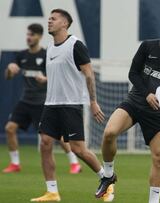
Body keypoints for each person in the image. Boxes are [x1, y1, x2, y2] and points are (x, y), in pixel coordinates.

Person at [96, 16, 160, 203]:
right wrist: (147, 93)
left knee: (159, 157)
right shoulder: (148, 46)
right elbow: (133, 73)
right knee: (109, 133)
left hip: (156, 111)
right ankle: (108, 175)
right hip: (135, 102)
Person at [31, 9, 108, 202]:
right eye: (49, 18)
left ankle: (106, 179)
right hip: (51, 105)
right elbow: (60, 75)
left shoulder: (76, 45)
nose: (49, 21)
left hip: (71, 105)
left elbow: (89, 74)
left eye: (54, 19)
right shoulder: (49, 47)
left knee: (78, 149)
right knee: (45, 144)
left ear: (65, 24)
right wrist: (46, 80)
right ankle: (52, 192)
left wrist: (92, 101)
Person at [3, 23, 81, 174]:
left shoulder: (47, 55)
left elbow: (56, 76)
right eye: (27, 35)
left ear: (39, 36)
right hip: (25, 100)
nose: (29, 38)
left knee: (56, 135)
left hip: (43, 102)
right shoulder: (22, 56)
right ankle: (15, 163)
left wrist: (45, 79)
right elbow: (8, 76)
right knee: (9, 128)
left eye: (32, 35)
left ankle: (74, 163)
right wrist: (9, 70)